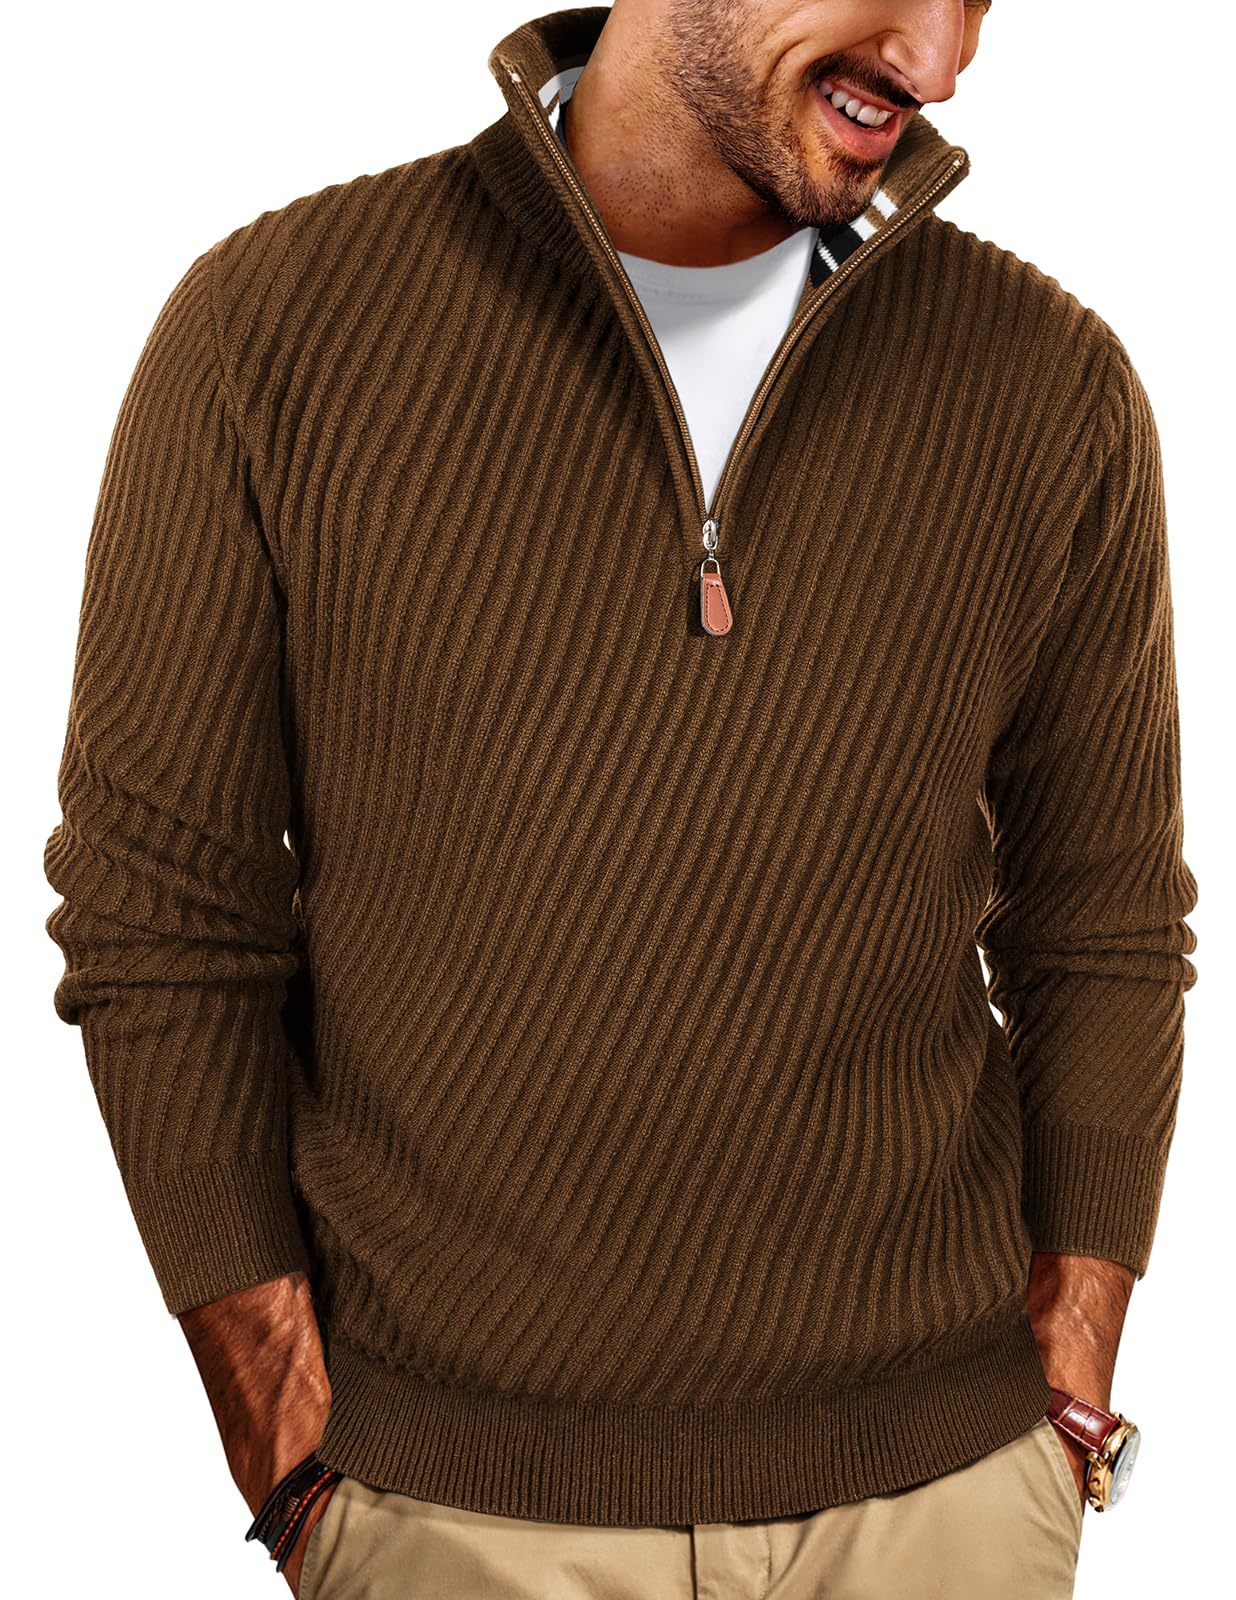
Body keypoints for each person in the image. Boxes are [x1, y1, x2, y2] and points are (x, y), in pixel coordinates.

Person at [43, 2, 1198, 1596]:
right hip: (458, 1509)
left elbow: (1103, 922)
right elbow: (161, 913)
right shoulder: (275, 332)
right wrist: (280, 1422)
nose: (940, 64)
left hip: (945, 1502)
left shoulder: (1047, 381)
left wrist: (1067, 1377)